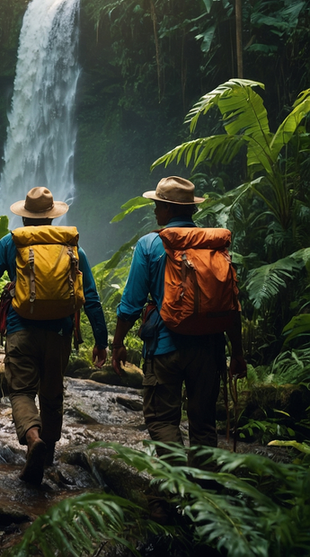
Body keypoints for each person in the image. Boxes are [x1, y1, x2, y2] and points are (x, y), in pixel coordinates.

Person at [0, 186, 108, 485]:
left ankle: (33, 438)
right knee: (51, 395)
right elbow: (91, 296)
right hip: (60, 333)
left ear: (24, 219)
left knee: (21, 392)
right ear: (52, 218)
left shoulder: (10, 244)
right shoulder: (72, 248)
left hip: (20, 329)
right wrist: (101, 341)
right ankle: (46, 457)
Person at [112, 176, 247, 458]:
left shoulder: (150, 245)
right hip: (208, 349)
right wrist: (237, 354)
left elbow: (132, 303)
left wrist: (118, 342)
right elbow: (230, 305)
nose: (154, 210)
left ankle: (172, 492)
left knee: (162, 421)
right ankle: (203, 494)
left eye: (158, 205)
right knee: (204, 425)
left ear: (168, 210)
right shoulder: (214, 247)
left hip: (164, 348)